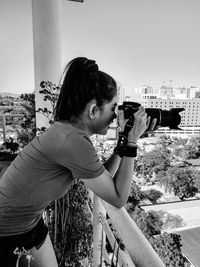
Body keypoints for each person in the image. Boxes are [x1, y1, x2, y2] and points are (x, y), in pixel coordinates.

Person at [0, 57, 156, 267]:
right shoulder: (71, 141)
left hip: (29, 222)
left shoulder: (68, 132)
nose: (115, 116)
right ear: (93, 110)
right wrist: (132, 143)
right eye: (113, 108)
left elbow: (102, 179)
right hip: (6, 230)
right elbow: (118, 198)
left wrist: (123, 142)